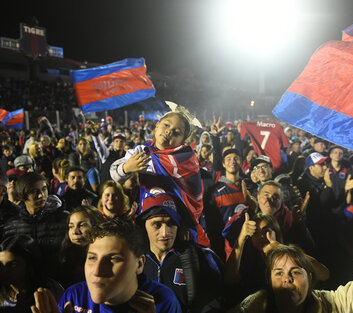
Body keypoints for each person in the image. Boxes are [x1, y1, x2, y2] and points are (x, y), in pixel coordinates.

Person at [231, 202, 353, 313]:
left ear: (310, 277)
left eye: (296, 272)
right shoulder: (254, 307)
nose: (287, 279)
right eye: (278, 273)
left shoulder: (330, 305)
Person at [31, 218, 182, 313]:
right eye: (92, 258)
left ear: (139, 264)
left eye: (113, 259)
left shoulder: (162, 301)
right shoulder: (75, 296)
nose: (97, 271)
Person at [110, 108, 209, 247]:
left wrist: (186, 223)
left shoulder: (186, 159)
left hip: (176, 226)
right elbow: (114, 174)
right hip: (148, 221)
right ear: (157, 125)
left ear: (183, 141)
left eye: (177, 132)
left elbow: (193, 199)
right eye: (167, 125)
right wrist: (127, 168)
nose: (169, 132)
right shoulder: (141, 151)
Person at [137, 193, 224, 312]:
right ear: (144, 226)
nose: (165, 233)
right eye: (157, 225)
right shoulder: (133, 262)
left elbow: (219, 298)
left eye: (171, 223)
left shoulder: (200, 257)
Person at [2, 172, 69, 278]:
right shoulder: (11, 226)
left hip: (58, 280)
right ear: (22, 195)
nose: (41, 195)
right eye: (34, 191)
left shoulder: (64, 219)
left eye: (44, 189)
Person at [0, 235, 63, 313]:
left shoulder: (50, 290)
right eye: (1, 265)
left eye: (13, 265)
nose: (4, 271)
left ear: (30, 265)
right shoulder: (4, 292)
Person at [58, 206, 104, 287]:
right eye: (71, 226)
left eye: (82, 225)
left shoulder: (104, 257)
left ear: (96, 226)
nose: (75, 231)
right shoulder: (64, 256)